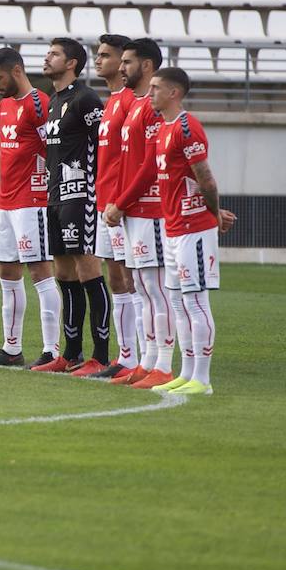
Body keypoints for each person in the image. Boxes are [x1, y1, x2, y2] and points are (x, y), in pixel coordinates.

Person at [148, 68, 236, 396]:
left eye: (156, 88)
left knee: (195, 301)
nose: (151, 93)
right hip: (172, 227)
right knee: (177, 301)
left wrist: (213, 214)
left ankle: (203, 378)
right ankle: (185, 372)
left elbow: (206, 178)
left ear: (174, 93)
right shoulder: (163, 129)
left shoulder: (187, 127)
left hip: (194, 228)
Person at [104, 39, 177, 389]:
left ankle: (163, 364)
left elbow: (150, 164)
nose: (121, 67)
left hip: (151, 208)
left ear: (146, 66)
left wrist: (122, 200)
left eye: (128, 62)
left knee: (157, 288)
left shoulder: (150, 107)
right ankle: (147, 362)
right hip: (135, 210)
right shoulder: (135, 105)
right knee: (144, 288)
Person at [0, 47, 60, 368]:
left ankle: (52, 350)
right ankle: (11, 348)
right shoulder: (4, 105)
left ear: (16, 71)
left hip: (33, 202)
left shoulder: (40, 103)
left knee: (40, 271)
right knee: (7, 272)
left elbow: (53, 150)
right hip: (8, 202)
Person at [34, 38, 110, 374]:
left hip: (81, 195)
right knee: (63, 273)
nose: (47, 58)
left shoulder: (86, 98)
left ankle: (102, 355)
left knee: (88, 269)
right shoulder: (54, 101)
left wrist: (102, 190)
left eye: (54, 54)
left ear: (72, 63)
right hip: (54, 196)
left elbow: (104, 146)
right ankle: (72, 352)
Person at [86, 34, 137, 378]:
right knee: (116, 278)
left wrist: (121, 200)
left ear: (122, 62)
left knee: (133, 279)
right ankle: (125, 357)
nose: (98, 60)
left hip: (124, 206)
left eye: (105, 55)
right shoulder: (111, 102)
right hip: (105, 204)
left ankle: (140, 358)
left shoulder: (132, 101)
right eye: (98, 54)